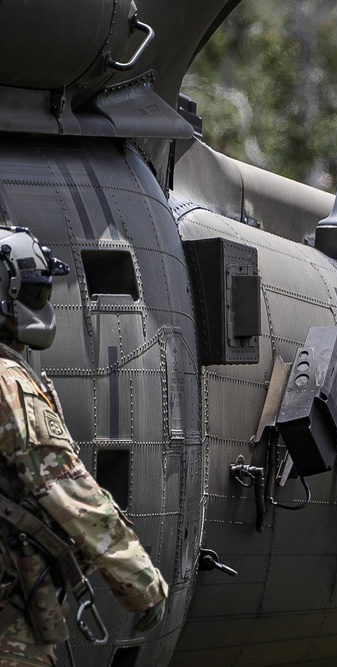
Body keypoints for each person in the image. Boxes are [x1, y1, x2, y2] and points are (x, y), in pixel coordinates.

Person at [0, 226, 168, 665]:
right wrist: (139, 581)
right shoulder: (8, 384)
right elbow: (66, 488)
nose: (43, 306)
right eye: (35, 294)